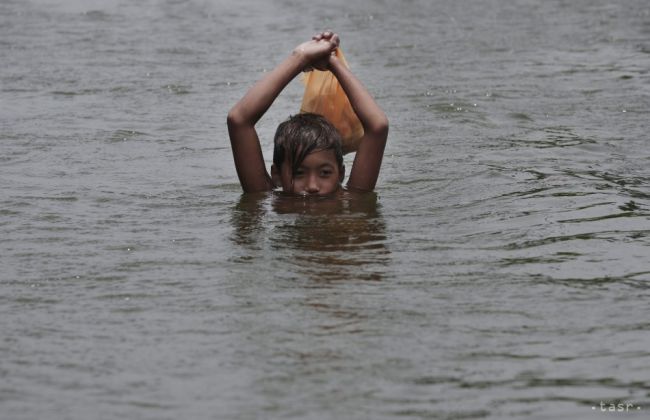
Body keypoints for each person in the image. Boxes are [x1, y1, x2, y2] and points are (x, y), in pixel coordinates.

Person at [227, 31, 388, 196]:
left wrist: (332, 61)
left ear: (340, 174)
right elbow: (239, 120)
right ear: (277, 176)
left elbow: (378, 126)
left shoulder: (352, 199)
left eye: (325, 173)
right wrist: (300, 57)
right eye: (298, 173)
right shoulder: (267, 199)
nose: (312, 186)